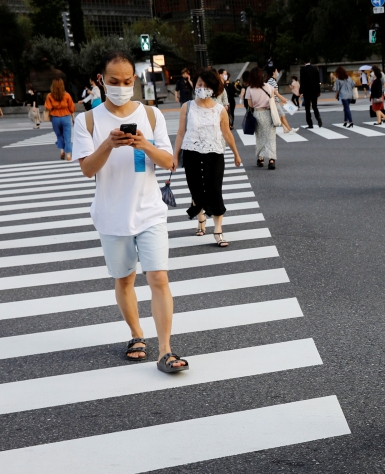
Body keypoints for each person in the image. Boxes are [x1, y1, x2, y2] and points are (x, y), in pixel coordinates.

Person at [73, 50, 186, 373]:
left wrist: (144, 145)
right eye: (113, 81)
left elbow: (169, 162)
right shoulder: (88, 120)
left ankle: (165, 349)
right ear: (101, 81)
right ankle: (137, 335)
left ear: (133, 80)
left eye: (126, 81)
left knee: (159, 278)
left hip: (150, 210)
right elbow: (86, 169)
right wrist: (108, 144)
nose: (121, 87)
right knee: (124, 281)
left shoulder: (151, 116)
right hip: (111, 214)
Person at [172, 69, 243, 248]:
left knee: (214, 191)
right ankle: (200, 216)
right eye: (199, 84)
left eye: (206, 85)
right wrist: (175, 156)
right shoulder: (187, 107)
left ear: (213, 88)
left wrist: (236, 153)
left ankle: (218, 231)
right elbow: (181, 133)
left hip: (215, 154)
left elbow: (227, 133)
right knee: (196, 190)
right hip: (191, 154)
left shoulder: (220, 110)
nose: (202, 88)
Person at [241, 67, 278, 169]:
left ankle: (261, 159)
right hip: (269, 114)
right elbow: (272, 100)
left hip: (258, 114)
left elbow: (250, 105)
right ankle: (271, 160)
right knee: (270, 138)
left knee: (259, 137)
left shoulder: (249, 89)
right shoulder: (269, 87)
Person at [45, 78, 75, 161]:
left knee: (59, 135)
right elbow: (71, 108)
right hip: (65, 117)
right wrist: (73, 118)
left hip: (55, 118)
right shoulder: (67, 95)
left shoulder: (50, 96)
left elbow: (48, 107)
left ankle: (62, 151)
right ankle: (68, 155)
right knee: (67, 136)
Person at [300, 57, 322, 128]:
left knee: (307, 108)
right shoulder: (315, 69)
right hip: (314, 90)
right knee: (314, 106)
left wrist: (301, 91)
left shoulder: (302, 70)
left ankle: (310, 123)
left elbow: (302, 82)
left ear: (304, 62)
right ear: (310, 61)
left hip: (306, 91)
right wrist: (318, 91)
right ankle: (318, 117)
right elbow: (318, 81)